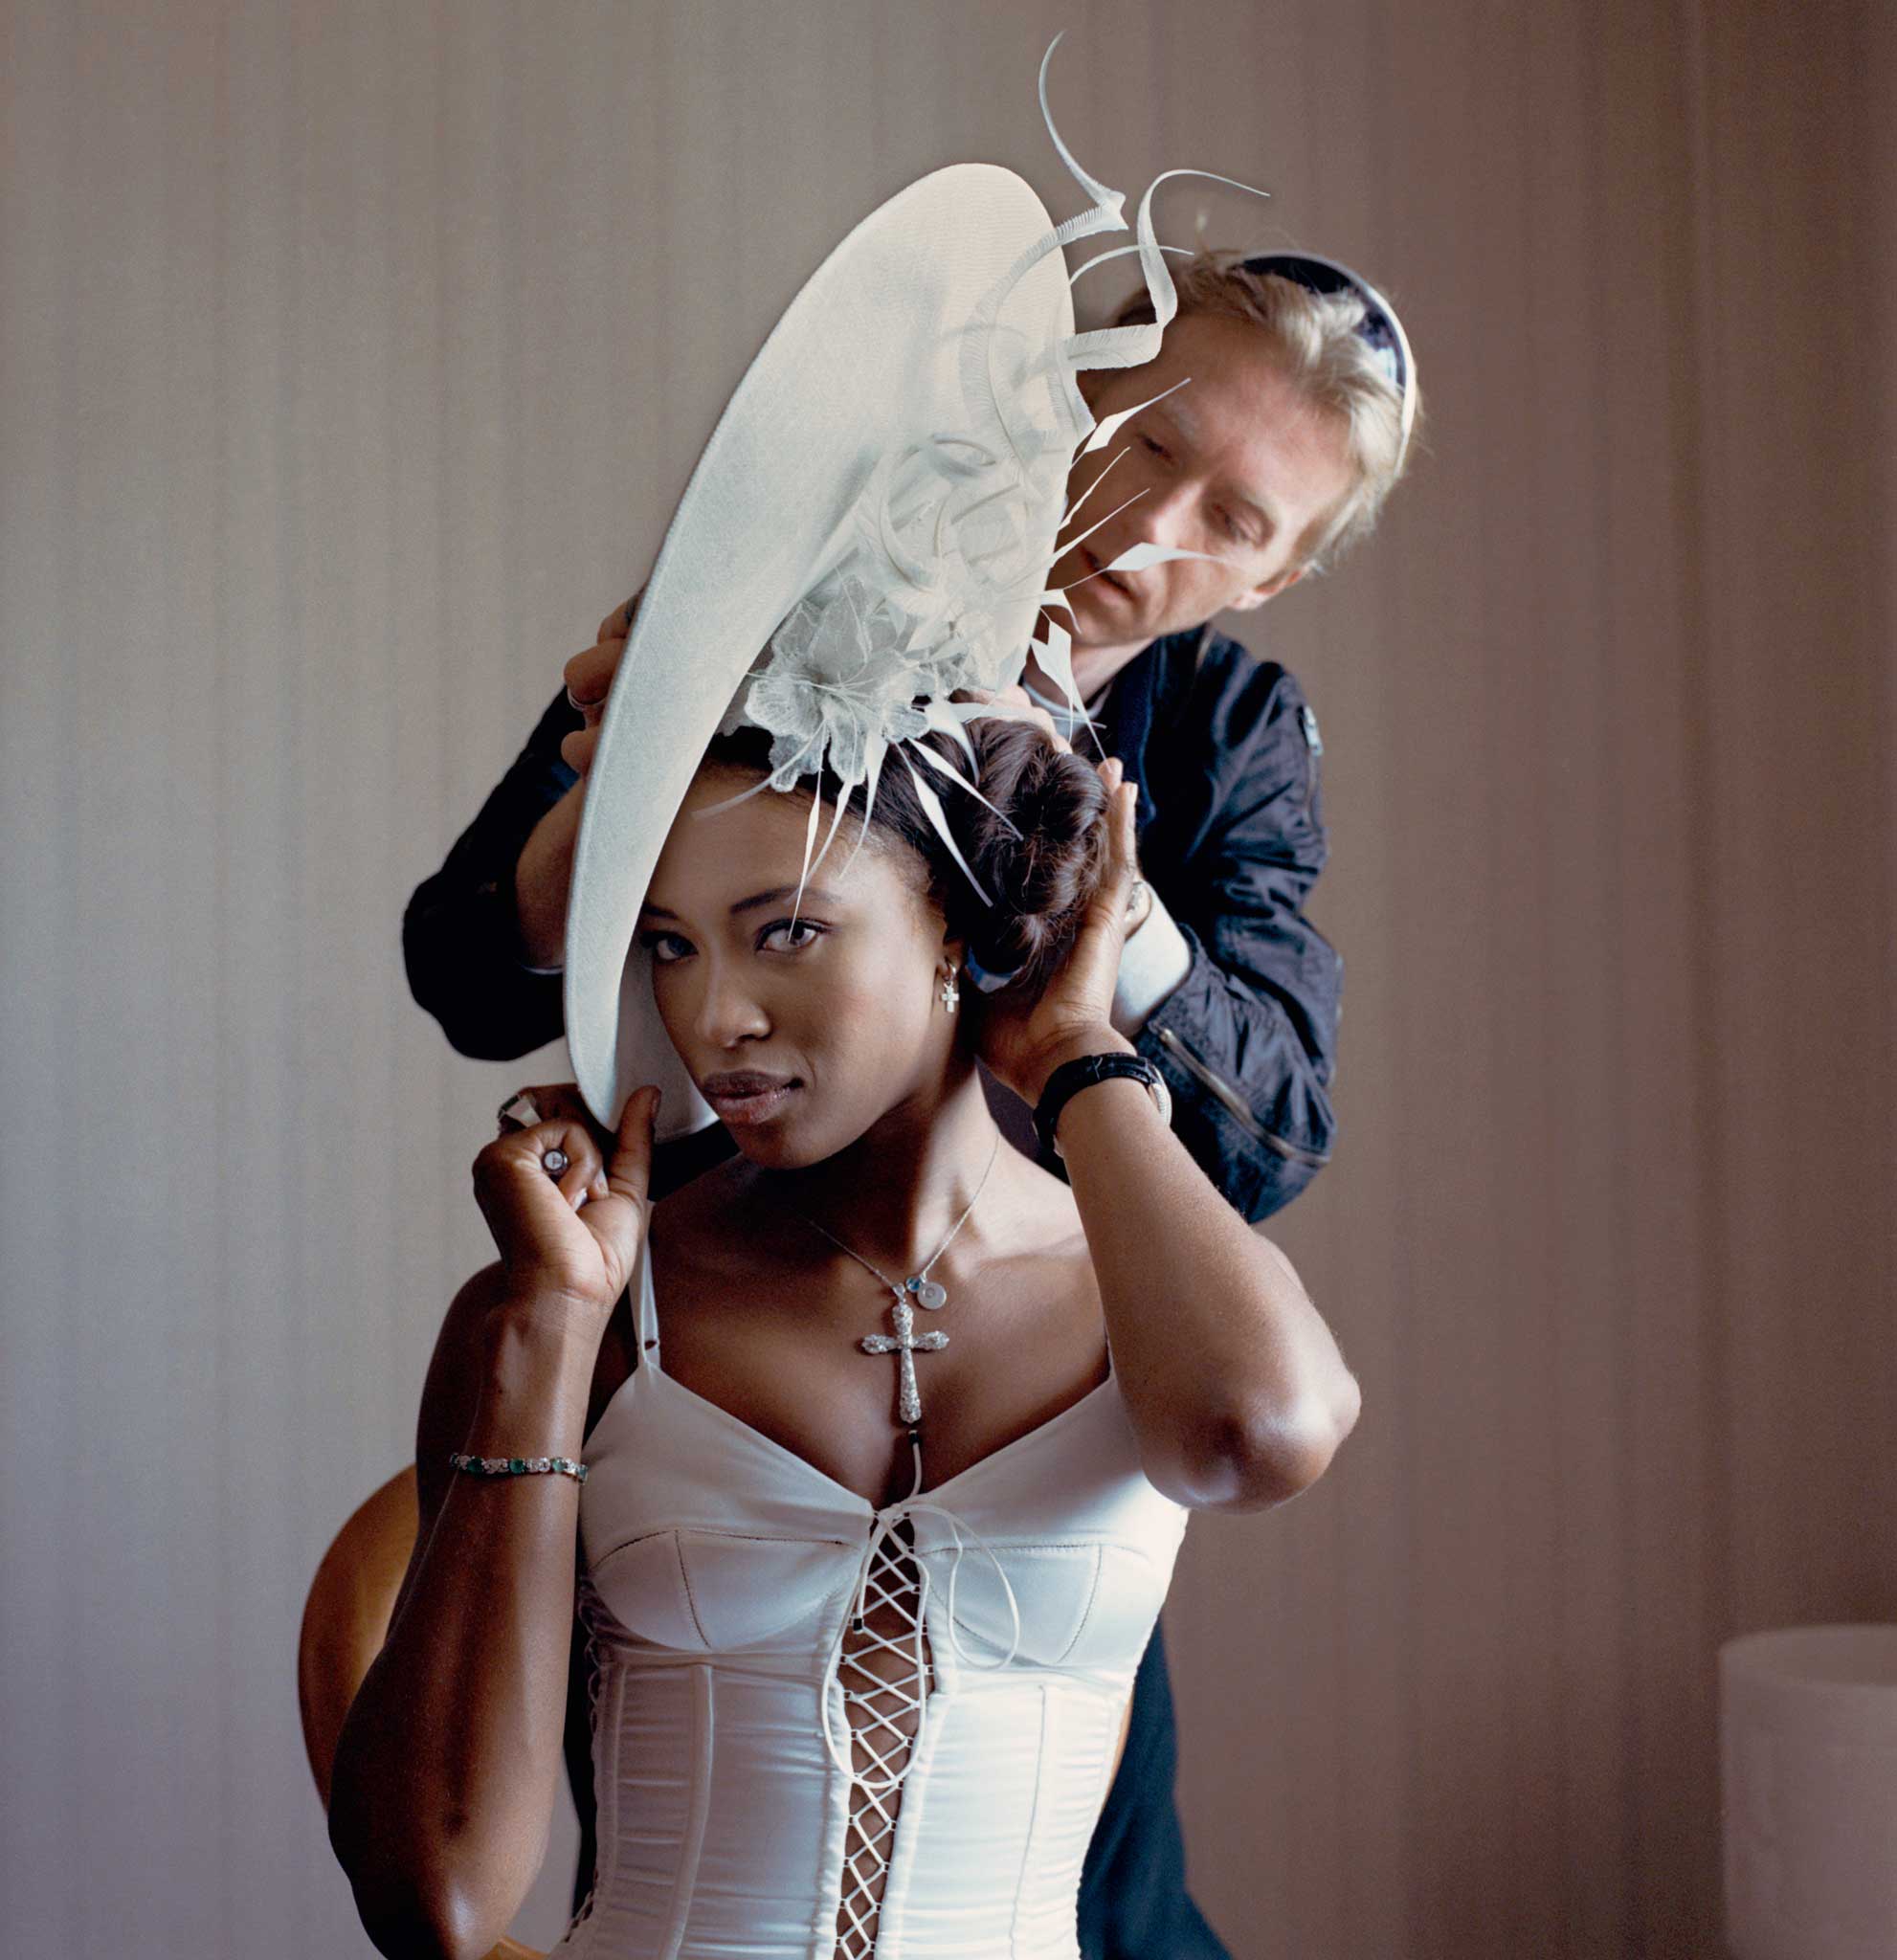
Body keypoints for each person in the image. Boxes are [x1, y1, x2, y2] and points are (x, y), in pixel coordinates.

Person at [380, 62, 1411, 1958]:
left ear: (1278, 572)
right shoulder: (769, 598)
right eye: (1150, 439)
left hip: (1071, 1367)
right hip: (729, 1332)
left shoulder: (1228, 736)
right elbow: (465, 965)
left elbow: (1267, 1140)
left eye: (1235, 518)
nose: (1153, 526)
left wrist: (1067, 861)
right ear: (1077, 386)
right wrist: (640, 768)